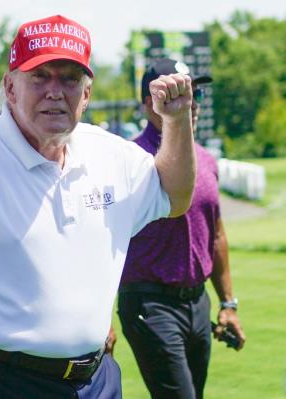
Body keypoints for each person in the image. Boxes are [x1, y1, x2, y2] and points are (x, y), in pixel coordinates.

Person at [0, 14, 197, 398]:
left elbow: (174, 198)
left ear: (87, 94)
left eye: (69, 79)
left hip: (93, 380)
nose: (55, 91)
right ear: (10, 88)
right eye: (39, 76)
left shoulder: (112, 154)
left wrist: (177, 122)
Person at [116, 58, 246, 399]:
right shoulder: (127, 160)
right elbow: (102, 242)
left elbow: (215, 234)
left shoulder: (205, 160)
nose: (190, 103)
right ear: (149, 103)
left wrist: (228, 304)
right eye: (176, 93)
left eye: (194, 92)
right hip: (149, 303)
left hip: (197, 303)